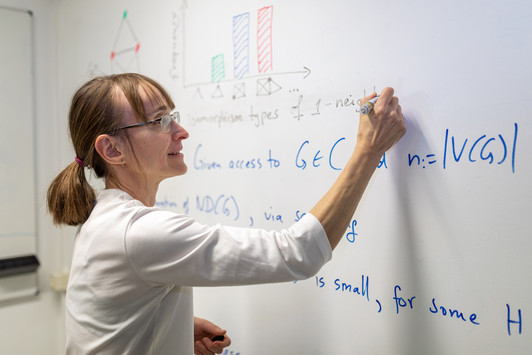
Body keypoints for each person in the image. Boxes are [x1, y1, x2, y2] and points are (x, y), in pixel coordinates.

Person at [47, 73, 405, 354]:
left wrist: (170, 330)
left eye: (174, 117)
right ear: (111, 149)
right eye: (160, 122)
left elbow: (110, 320)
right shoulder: (137, 233)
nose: (181, 132)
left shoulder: (104, 220)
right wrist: (367, 151)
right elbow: (298, 254)